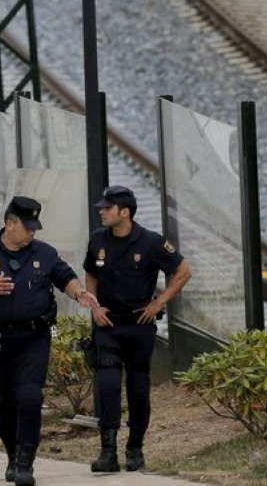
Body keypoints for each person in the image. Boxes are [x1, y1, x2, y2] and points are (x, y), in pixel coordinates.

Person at [0, 196, 99, 486]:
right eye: (27, 227)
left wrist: (79, 293)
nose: (32, 232)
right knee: (0, 401)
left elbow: (65, 277)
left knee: (30, 396)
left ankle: (25, 461)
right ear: (10, 224)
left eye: (35, 227)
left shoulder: (44, 253)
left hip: (33, 337)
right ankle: (12, 451)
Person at [83, 185, 192, 473]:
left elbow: (183, 271)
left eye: (107, 208)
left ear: (125, 212)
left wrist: (159, 302)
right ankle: (107, 451)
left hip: (139, 326)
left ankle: (135, 447)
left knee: (138, 388)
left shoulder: (151, 243)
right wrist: (94, 307)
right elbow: (91, 272)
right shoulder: (97, 240)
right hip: (107, 324)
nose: (102, 212)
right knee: (106, 384)